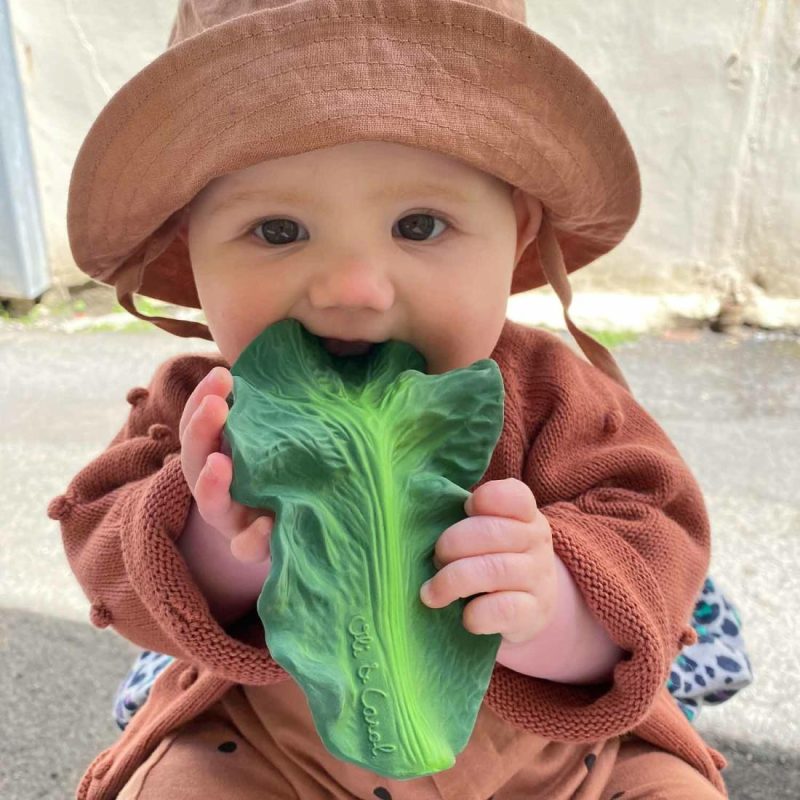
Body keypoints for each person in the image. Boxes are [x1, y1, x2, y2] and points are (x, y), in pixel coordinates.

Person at [49, 1, 735, 797]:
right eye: (277, 230)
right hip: (275, 755)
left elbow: (657, 544)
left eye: (418, 223)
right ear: (187, 246)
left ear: (515, 231)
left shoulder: (556, 397)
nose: (353, 289)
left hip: (558, 767)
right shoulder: (197, 407)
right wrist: (209, 542)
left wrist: (554, 611)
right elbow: (105, 550)